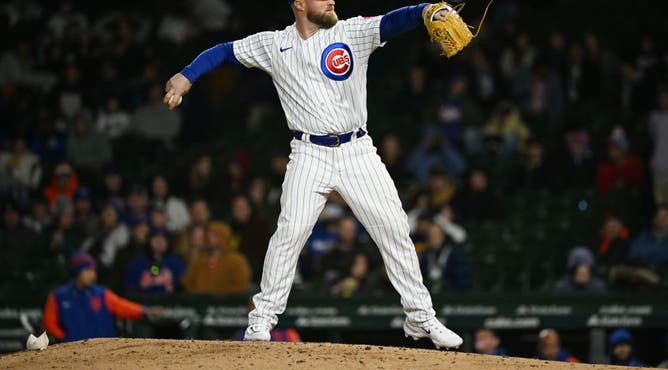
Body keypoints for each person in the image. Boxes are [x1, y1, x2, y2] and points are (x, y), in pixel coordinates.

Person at [164, 0, 462, 348]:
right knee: (289, 232)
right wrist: (186, 75)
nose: (332, 0)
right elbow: (224, 52)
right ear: (300, 4)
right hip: (308, 153)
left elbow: (397, 20)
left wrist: (428, 10)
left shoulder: (351, 32)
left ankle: (420, 317)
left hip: (357, 151)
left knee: (395, 229)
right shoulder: (273, 44)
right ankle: (260, 321)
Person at [43, 253, 161, 342]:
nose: (92, 274)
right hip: (72, 351)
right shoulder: (59, 296)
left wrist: (143, 311)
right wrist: (65, 338)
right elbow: (49, 323)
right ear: (77, 272)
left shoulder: (101, 293)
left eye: (94, 270)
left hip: (104, 352)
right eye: (88, 270)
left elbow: (121, 306)